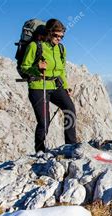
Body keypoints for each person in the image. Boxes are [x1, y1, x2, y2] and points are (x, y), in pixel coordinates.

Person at [21, 18, 77, 153]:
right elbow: (24, 67)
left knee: (70, 109)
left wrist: (65, 86)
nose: (59, 39)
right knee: (44, 121)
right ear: (48, 33)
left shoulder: (61, 49)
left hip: (55, 84)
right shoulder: (35, 46)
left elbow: (61, 70)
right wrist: (37, 69)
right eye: (56, 35)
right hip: (38, 86)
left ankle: (71, 146)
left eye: (61, 36)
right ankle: (40, 151)